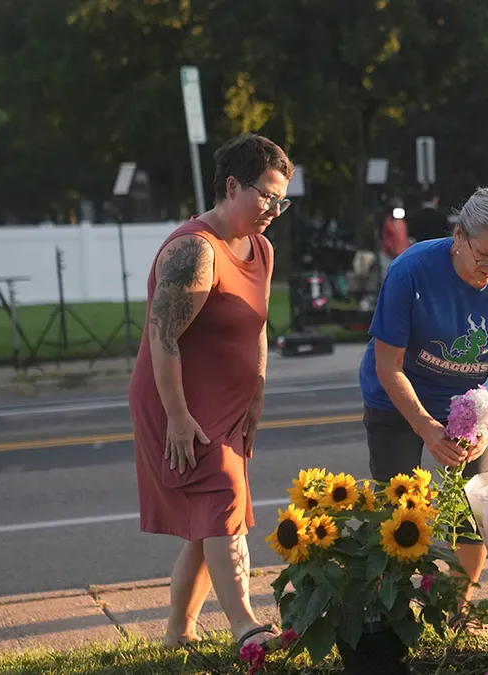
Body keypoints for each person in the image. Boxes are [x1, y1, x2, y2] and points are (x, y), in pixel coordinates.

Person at [128, 133, 293, 650]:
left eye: (281, 199)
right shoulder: (195, 251)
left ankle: (178, 632)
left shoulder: (260, 248)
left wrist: (257, 393)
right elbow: (163, 338)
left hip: (228, 405)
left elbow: (258, 326)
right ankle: (246, 626)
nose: (274, 209)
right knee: (224, 501)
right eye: (266, 195)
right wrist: (177, 417)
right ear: (231, 186)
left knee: (208, 527)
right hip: (180, 402)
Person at [358, 186, 488, 620]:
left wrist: (487, 419)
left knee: (474, 510)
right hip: (398, 397)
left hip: (468, 403)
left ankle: (452, 611)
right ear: (458, 236)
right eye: (485, 257)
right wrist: (424, 425)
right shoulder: (412, 270)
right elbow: (390, 366)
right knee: (400, 512)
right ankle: (394, 614)